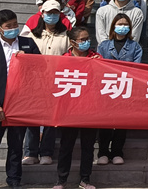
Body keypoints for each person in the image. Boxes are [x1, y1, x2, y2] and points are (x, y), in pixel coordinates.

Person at [0, 10, 41, 189]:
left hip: (19, 105)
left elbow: (40, 68)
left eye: (15, 24)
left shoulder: (28, 44)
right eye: (8, 26)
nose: (13, 28)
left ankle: (14, 179)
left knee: (16, 145)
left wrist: (26, 61)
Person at [20, 0, 70, 166]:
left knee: (51, 119)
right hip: (34, 82)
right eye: (49, 13)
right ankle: (30, 152)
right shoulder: (32, 35)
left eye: (55, 13)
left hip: (56, 82)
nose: (52, 16)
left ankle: (46, 152)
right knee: (32, 118)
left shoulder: (66, 36)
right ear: (42, 14)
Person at [54, 26, 99, 189]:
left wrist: (99, 65)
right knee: (66, 146)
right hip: (70, 110)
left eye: (88, 39)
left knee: (88, 146)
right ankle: (61, 180)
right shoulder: (64, 59)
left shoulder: (96, 57)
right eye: (83, 40)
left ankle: (85, 179)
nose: (87, 42)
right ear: (72, 42)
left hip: (90, 109)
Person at [96, 14, 142, 165]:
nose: (122, 27)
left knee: (121, 122)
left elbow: (136, 68)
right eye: (120, 24)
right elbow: (99, 66)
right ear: (113, 26)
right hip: (107, 87)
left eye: (125, 24)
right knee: (105, 122)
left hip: (125, 87)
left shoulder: (135, 47)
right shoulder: (103, 46)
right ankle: (103, 152)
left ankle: (117, 152)